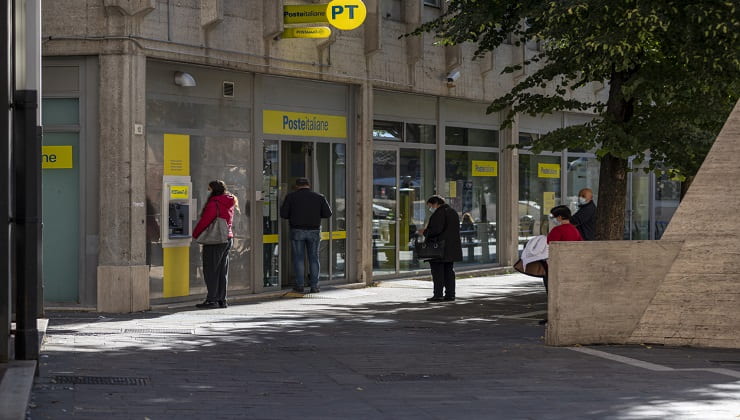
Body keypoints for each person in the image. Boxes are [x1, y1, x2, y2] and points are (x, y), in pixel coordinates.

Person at [280, 177, 332, 294]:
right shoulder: (319, 197)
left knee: (298, 258)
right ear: (308, 185)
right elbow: (328, 214)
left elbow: (283, 214)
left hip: (297, 230)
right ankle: (314, 286)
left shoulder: (291, 197)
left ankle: (300, 286)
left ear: (297, 186)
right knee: (314, 258)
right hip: (314, 231)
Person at [192, 180, 238, 309]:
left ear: (213, 190)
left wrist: (195, 234)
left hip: (215, 240)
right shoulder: (230, 201)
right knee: (222, 271)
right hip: (227, 238)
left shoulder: (214, 203)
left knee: (211, 270)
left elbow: (205, 221)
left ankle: (212, 300)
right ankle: (222, 299)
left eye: (209, 189)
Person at [539, 205, 583, 324]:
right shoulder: (575, 230)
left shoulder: (557, 230)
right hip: (571, 264)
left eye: (553, 216)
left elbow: (548, 245)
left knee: (552, 290)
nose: (553, 219)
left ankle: (554, 316)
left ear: (559, 217)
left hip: (556, 265)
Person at [418, 195, 463, 302]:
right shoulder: (453, 212)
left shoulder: (439, 214)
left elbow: (436, 230)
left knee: (438, 273)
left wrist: (424, 232)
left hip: (439, 249)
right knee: (449, 272)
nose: (430, 208)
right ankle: (450, 294)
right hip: (451, 248)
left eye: (430, 206)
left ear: (435, 204)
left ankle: (438, 294)